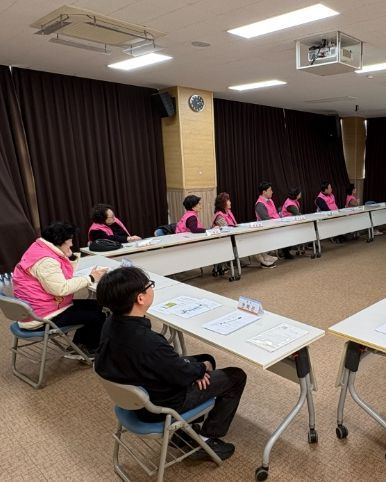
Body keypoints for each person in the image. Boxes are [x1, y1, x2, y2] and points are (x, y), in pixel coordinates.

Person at [95, 267, 247, 461]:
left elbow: (169, 365)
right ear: (140, 298)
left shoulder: (110, 324)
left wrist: (196, 369)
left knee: (205, 358)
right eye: (149, 286)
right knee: (235, 375)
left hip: (136, 396)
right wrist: (199, 370)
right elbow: (180, 374)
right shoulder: (149, 342)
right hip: (162, 406)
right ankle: (207, 438)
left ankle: (186, 429)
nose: (152, 288)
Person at [12, 222, 107, 356]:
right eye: (69, 241)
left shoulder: (39, 248)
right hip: (42, 317)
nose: (72, 244)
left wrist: (69, 256)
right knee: (97, 315)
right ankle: (92, 350)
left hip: (38, 308)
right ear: (59, 242)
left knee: (97, 305)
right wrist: (91, 278)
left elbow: (62, 275)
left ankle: (79, 345)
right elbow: (61, 289)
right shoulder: (46, 261)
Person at [255, 182, 289, 262]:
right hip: (268, 229)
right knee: (287, 232)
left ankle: (285, 251)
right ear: (264, 192)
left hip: (276, 225)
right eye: (270, 190)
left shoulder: (270, 200)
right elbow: (266, 220)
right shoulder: (260, 204)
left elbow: (275, 214)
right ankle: (283, 251)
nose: (272, 192)